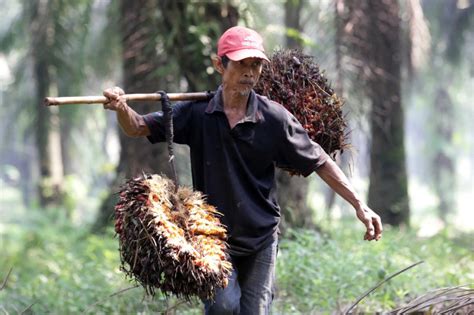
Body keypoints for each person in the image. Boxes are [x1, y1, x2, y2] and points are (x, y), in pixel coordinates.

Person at [103, 26, 382, 315]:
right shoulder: (197, 114)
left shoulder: (274, 119)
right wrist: (121, 106)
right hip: (211, 238)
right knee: (223, 307)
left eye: (256, 65)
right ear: (219, 64)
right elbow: (137, 126)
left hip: (261, 237)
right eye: (241, 64)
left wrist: (360, 205)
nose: (249, 72)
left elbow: (320, 160)